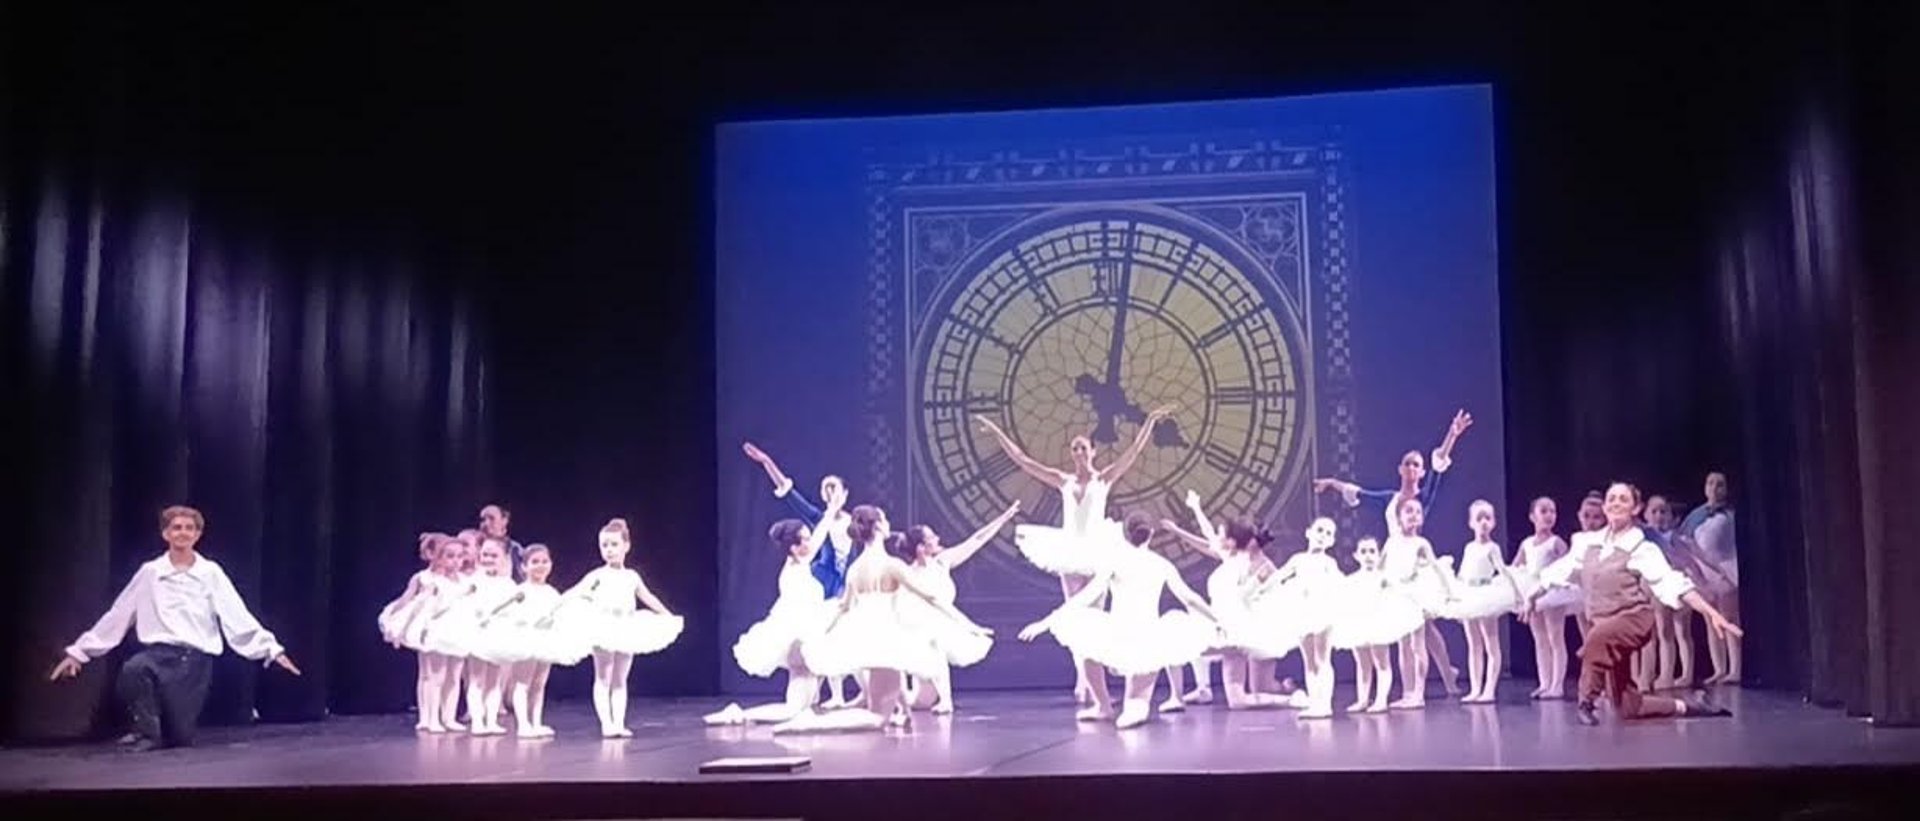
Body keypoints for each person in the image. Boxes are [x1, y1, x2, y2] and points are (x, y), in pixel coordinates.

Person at [49, 506, 301, 751]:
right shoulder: (151, 572)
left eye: (189, 528)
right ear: (165, 534)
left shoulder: (210, 573)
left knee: (179, 737)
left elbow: (237, 615)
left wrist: (271, 650)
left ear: (197, 535)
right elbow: (119, 614)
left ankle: (160, 731)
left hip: (193, 663)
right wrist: (79, 652)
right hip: (157, 655)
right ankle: (146, 732)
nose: (183, 533)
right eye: (177, 528)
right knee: (134, 670)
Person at [976, 407, 1173, 704]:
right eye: (1074, 448)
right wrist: (997, 432)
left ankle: (1096, 683)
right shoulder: (1063, 480)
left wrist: (1149, 422)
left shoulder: (1104, 479)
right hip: (1069, 550)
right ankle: (1084, 680)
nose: (1078, 451)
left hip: (1096, 550)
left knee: (1095, 616)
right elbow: (1024, 461)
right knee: (1074, 614)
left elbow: (1133, 452)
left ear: (1093, 451)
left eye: (1083, 447)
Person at [1521, 482, 1741, 725]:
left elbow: (1671, 581)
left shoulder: (1641, 548)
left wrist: (1710, 612)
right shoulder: (1586, 545)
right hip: (1604, 622)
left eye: (1623, 500)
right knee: (1626, 704)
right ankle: (1690, 706)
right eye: (1612, 498)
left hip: (1634, 618)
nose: (1616, 502)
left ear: (1635, 509)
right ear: (1605, 507)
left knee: (1596, 639)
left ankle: (1586, 700)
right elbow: (1558, 570)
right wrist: (1532, 595)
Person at [1312, 409, 1474, 694]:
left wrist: (1453, 434)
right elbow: (1358, 493)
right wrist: (1331, 483)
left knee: (1422, 627)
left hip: (1415, 563)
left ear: (1420, 472)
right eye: (1408, 464)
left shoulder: (1425, 496)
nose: (1412, 468)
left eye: (1417, 465)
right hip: (1392, 562)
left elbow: (1439, 465)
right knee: (1416, 627)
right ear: (1401, 469)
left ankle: (1438, 680)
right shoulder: (1389, 500)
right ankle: (1445, 676)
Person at [1018, 511, 1217, 729]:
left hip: (1126, 633)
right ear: (1151, 535)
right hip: (1141, 634)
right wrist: (1217, 620)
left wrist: (1046, 621)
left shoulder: (1116, 562)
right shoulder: (1161, 564)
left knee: (1087, 651)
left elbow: (1085, 597)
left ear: (1124, 535)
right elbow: (1190, 599)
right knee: (1127, 694)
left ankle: (1105, 706)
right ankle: (1119, 707)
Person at [740, 441, 861, 707]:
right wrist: (767, 462)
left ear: (845, 492)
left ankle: (850, 692)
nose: (829, 493)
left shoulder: (857, 522)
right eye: (825, 489)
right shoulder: (818, 519)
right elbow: (788, 492)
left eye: (834, 488)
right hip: (822, 582)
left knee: (844, 635)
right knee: (822, 636)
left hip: (848, 580)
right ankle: (832, 694)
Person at [551, 518, 683, 738]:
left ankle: (619, 723)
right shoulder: (597, 576)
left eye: (614, 545)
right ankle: (606, 724)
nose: (609, 550)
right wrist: (554, 608)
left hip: (626, 626)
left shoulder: (632, 576)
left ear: (626, 546)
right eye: (604, 546)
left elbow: (647, 596)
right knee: (603, 676)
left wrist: (667, 614)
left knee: (620, 679)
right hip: (604, 627)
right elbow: (574, 592)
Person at [706, 518, 836, 727]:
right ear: (794, 547)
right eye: (806, 539)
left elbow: (819, 539)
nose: (811, 543)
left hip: (805, 639)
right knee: (793, 711)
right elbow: (796, 615)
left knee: (805, 707)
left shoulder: (800, 564)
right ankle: (739, 714)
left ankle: (741, 714)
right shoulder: (792, 576)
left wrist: (831, 510)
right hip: (798, 640)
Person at [897, 501, 1021, 714]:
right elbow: (937, 605)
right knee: (918, 699)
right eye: (931, 537)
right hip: (920, 632)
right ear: (921, 548)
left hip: (943, 624)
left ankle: (938, 700)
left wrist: (1003, 518)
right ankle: (909, 698)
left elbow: (976, 540)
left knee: (923, 696)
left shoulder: (942, 562)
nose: (937, 539)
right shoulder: (911, 575)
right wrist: (971, 626)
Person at [1439, 500, 1524, 704]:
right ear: (1471, 523)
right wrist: (1456, 598)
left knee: (1490, 643)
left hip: (1486, 594)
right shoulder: (1469, 547)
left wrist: (1517, 595)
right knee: (1473, 645)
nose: (1484, 522)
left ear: (1494, 522)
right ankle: (1476, 688)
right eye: (1479, 518)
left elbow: (1503, 570)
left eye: (1488, 518)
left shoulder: (1492, 547)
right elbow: (1462, 572)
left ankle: (1489, 689)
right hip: (1469, 593)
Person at [1328, 536, 1424, 713]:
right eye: (1363, 552)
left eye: (1372, 551)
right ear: (1356, 555)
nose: (1368, 556)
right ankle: (1363, 699)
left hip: (1379, 622)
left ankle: (1381, 700)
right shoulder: (1352, 580)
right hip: (1358, 622)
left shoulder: (1384, 578)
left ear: (1379, 555)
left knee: (1382, 663)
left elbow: (1398, 595)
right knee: (1362, 664)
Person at [1512, 497, 1579, 700]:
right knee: (1540, 640)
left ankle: (1557, 685)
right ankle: (1544, 683)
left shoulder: (1556, 542)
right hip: (1533, 592)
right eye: (1544, 511)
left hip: (1553, 592)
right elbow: (1515, 567)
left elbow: (1568, 566)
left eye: (1553, 511)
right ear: (1533, 516)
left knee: (1555, 638)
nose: (1549, 515)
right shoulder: (1526, 543)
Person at [1680, 471, 1740, 685]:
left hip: (1725, 568)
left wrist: (1727, 571)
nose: (1715, 488)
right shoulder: (1696, 516)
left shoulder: (1731, 515)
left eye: (1720, 484)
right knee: (1710, 620)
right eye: (1711, 483)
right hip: (1703, 573)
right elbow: (1684, 542)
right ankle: (1719, 668)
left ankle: (1736, 668)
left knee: (1730, 618)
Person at [479, 504, 528, 581]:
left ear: (504, 521)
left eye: (491, 518)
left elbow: (521, 578)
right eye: (483, 520)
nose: (486, 523)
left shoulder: (514, 549)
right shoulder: (474, 546)